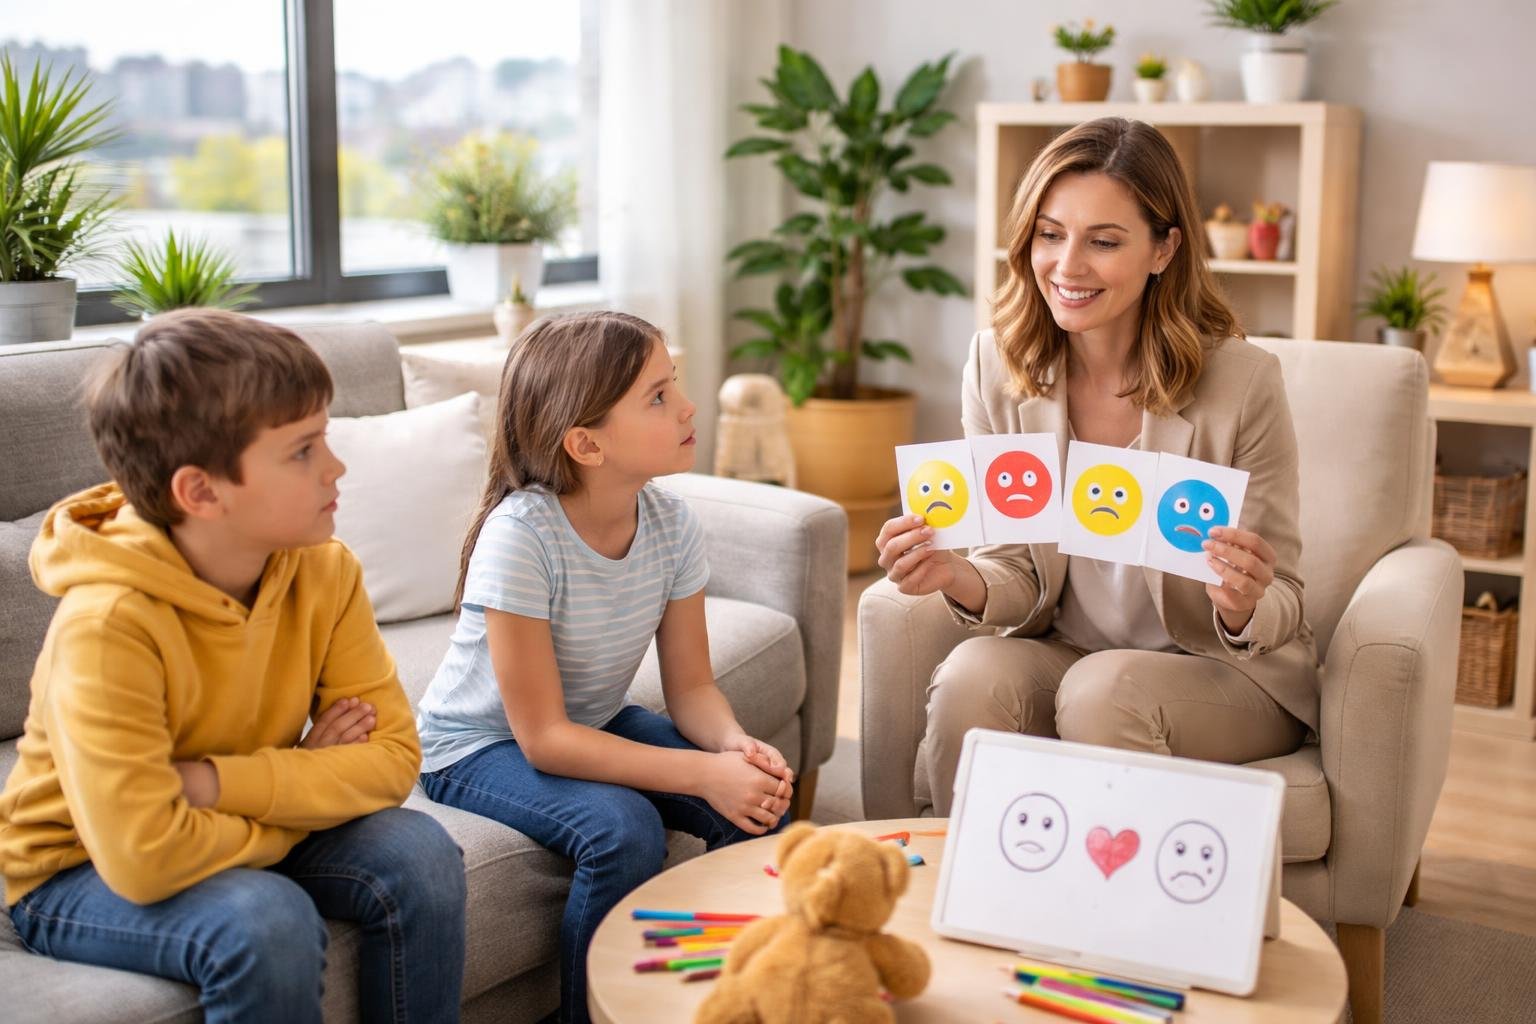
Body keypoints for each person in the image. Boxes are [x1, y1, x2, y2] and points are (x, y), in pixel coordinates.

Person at [0, 309, 467, 1023]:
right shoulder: (108, 625)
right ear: (201, 492)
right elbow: (144, 855)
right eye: (303, 450)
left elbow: (393, 759)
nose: (336, 468)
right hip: (73, 869)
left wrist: (212, 782)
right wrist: (299, 789)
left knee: (421, 851)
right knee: (267, 918)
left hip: (207, 812)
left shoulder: (323, 569)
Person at [875, 117, 1317, 815]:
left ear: (1164, 249)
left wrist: (1243, 601)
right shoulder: (998, 365)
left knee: (1103, 689)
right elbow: (1017, 569)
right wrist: (957, 577)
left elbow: (1284, 597)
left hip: (1220, 670)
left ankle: (1119, 916)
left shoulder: (1244, 383)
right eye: (1050, 234)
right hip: (1068, 649)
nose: (1067, 266)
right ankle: (966, 898)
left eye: (1104, 241)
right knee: (971, 675)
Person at [415, 311, 794, 1024]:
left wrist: (732, 746)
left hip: (584, 720)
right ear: (586, 443)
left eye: (672, 385)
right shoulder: (521, 537)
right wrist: (702, 773)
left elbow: (692, 687)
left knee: (757, 799)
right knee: (621, 828)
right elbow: (545, 741)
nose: (685, 405)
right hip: (476, 746)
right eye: (657, 396)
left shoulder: (670, 522)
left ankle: (727, 1001)